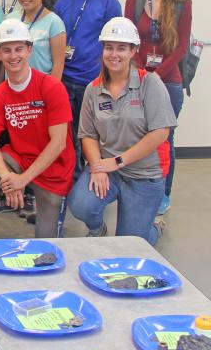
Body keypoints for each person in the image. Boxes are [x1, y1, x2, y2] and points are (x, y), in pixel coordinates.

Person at [0, 19, 75, 239]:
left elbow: (58, 143)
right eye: (7, 50)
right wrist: (7, 178)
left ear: (29, 49)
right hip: (18, 159)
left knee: (46, 245)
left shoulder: (51, 87)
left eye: (19, 49)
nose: (13, 56)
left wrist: (23, 179)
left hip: (52, 168)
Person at [68, 18, 175, 244]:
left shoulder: (150, 83)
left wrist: (118, 161)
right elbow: (87, 134)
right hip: (108, 169)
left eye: (121, 48)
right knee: (80, 204)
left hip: (144, 175)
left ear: (133, 51)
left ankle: (153, 228)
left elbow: (160, 133)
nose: (113, 54)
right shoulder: (93, 89)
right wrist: (97, 168)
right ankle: (98, 230)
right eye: (109, 47)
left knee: (130, 245)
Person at [124, 0, 191, 215]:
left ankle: (163, 192)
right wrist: (141, 73)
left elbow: (182, 46)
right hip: (137, 78)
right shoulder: (134, 2)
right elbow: (128, 40)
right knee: (137, 134)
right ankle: (134, 186)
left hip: (169, 82)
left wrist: (156, 76)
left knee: (164, 139)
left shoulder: (182, 4)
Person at [55, 0, 122, 181]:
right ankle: (73, 179)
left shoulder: (108, 3)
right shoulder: (62, 3)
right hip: (65, 79)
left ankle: (97, 176)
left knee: (93, 134)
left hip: (93, 81)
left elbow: (116, 44)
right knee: (67, 135)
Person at [6, 0, 66, 78]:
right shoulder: (10, 20)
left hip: (41, 89)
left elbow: (58, 64)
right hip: (12, 86)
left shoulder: (54, 23)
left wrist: (51, 92)